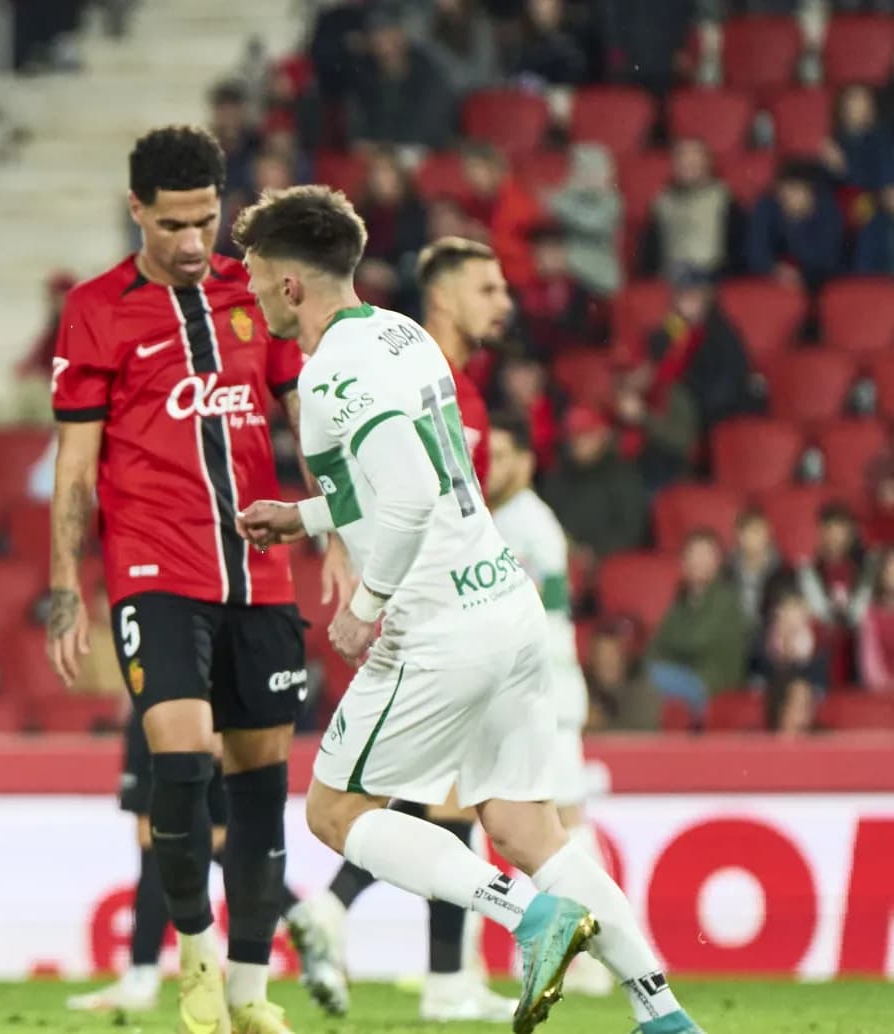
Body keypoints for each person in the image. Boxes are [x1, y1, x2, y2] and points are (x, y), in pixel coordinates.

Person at [234, 184, 705, 1034]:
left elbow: (411, 498)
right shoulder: (400, 334)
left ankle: (528, 919)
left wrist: (365, 604)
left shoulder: (333, 370)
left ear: (290, 284)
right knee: (531, 829)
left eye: (258, 276)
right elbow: (414, 482)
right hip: (505, 605)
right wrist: (306, 516)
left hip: (438, 623)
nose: (254, 292)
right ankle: (663, 1016)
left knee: (336, 812)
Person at [43, 123, 346, 1034]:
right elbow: (73, 466)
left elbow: (312, 420)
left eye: (205, 222)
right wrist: (69, 583)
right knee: (180, 765)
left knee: (259, 788)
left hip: (260, 574)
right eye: (172, 223)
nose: (189, 242)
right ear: (136, 209)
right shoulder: (95, 309)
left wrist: (333, 525)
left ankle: (252, 994)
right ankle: (197, 965)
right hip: (154, 568)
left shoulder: (257, 296)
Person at [295, 234, 516, 1022]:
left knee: (438, 795)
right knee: (432, 796)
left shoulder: (441, 379)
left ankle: (430, 968)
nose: (506, 303)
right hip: (431, 611)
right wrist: (345, 562)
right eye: (489, 290)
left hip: (444, 605)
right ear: (446, 297)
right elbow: (396, 494)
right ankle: (410, 956)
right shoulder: (417, 374)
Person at [488, 413, 612, 997]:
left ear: (526, 463)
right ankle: (575, 950)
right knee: (546, 820)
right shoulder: (510, 520)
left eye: (503, 456)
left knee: (562, 823)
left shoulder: (529, 524)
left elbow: (531, 605)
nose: (491, 466)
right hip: (533, 691)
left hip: (547, 692)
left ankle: (594, 950)